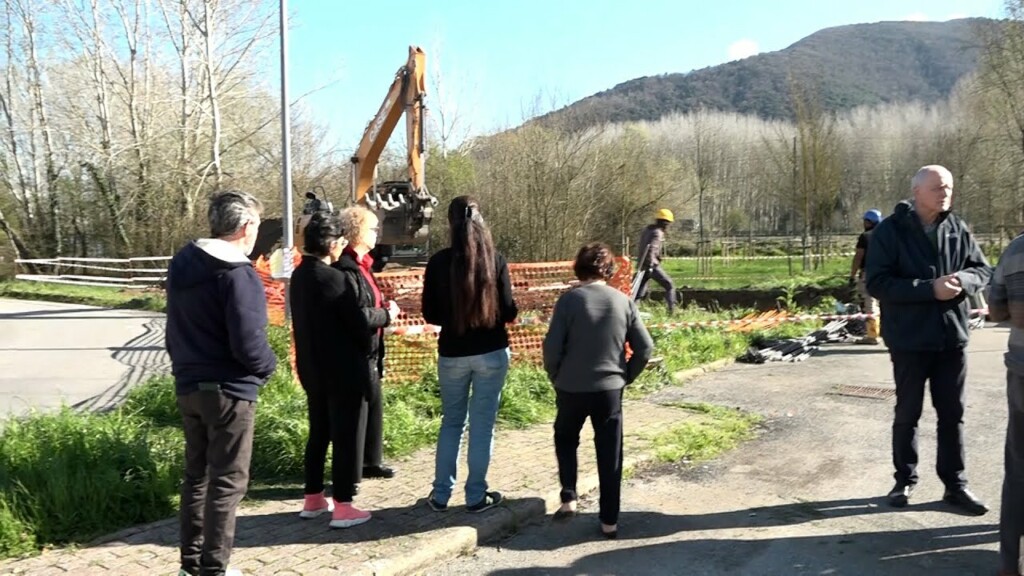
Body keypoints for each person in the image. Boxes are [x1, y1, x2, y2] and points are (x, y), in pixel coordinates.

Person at [865, 164, 992, 515]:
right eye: (937, 187)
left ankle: (956, 486)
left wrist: (964, 282)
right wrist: (927, 290)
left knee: (953, 412)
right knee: (908, 411)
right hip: (908, 339)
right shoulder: (890, 231)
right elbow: (877, 283)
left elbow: (982, 269)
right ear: (917, 191)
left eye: (949, 186)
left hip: (951, 337)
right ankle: (904, 479)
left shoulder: (957, 227)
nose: (945, 193)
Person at [165, 190, 278, 576]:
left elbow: (173, 328)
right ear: (246, 226)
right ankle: (215, 568)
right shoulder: (238, 274)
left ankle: (190, 564)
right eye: (257, 226)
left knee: (196, 477)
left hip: (189, 384)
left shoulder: (182, 263)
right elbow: (249, 343)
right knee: (227, 482)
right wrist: (268, 367)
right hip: (230, 389)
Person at [542, 242, 654, 539]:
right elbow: (645, 348)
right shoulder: (623, 301)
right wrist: (626, 376)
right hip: (609, 389)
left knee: (565, 438)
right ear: (609, 269)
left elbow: (551, 347)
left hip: (570, 387)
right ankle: (609, 521)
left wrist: (555, 375)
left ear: (580, 267)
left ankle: (568, 497)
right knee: (610, 453)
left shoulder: (568, 302)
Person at [422, 195, 518, 513]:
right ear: (481, 221)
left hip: (452, 353)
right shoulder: (495, 260)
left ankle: (440, 495)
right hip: (491, 351)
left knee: (452, 423)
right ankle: (476, 496)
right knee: (482, 425)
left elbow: (430, 313)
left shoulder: (437, 263)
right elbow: (508, 310)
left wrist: (454, 317)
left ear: (450, 223)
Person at [290, 211, 379, 528]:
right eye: (340, 241)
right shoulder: (335, 279)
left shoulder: (299, 276)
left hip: (311, 368)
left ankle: (313, 498)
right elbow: (357, 324)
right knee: (344, 437)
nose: (343, 246)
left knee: (318, 433)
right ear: (330, 244)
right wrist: (383, 318)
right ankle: (343, 505)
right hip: (342, 371)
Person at [332, 206, 401, 497]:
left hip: (371, 350)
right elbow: (358, 313)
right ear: (357, 231)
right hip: (356, 351)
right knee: (358, 411)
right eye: (372, 229)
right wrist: (386, 315)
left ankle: (371, 461)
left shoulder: (364, 265)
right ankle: (352, 472)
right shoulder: (347, 269)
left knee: (373, 404)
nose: (377, 234)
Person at [987, 232, 1024, 576]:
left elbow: (996, 310)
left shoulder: (1016, 249)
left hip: (1022, 372)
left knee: (1018, 471)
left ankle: (1009, 565)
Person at [849, 209, 883, 344]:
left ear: (869, 221)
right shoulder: (886, 235)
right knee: (885, 303)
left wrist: (852, 275)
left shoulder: (865, 236)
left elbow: (858, 257)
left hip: (869, 273)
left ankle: (872, 336)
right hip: (887, 273)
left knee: (870, 303)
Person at [635, 208, 676, 314]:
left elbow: (645, 247)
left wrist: (657, 256)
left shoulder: (647, 230)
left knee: (639, 291)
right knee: (669, 285)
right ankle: (672, 311)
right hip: (650, 265)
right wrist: (651, 265)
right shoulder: (657, 233)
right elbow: (651, 249)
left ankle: (633, 311)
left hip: (642, 264)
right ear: (665, 222)